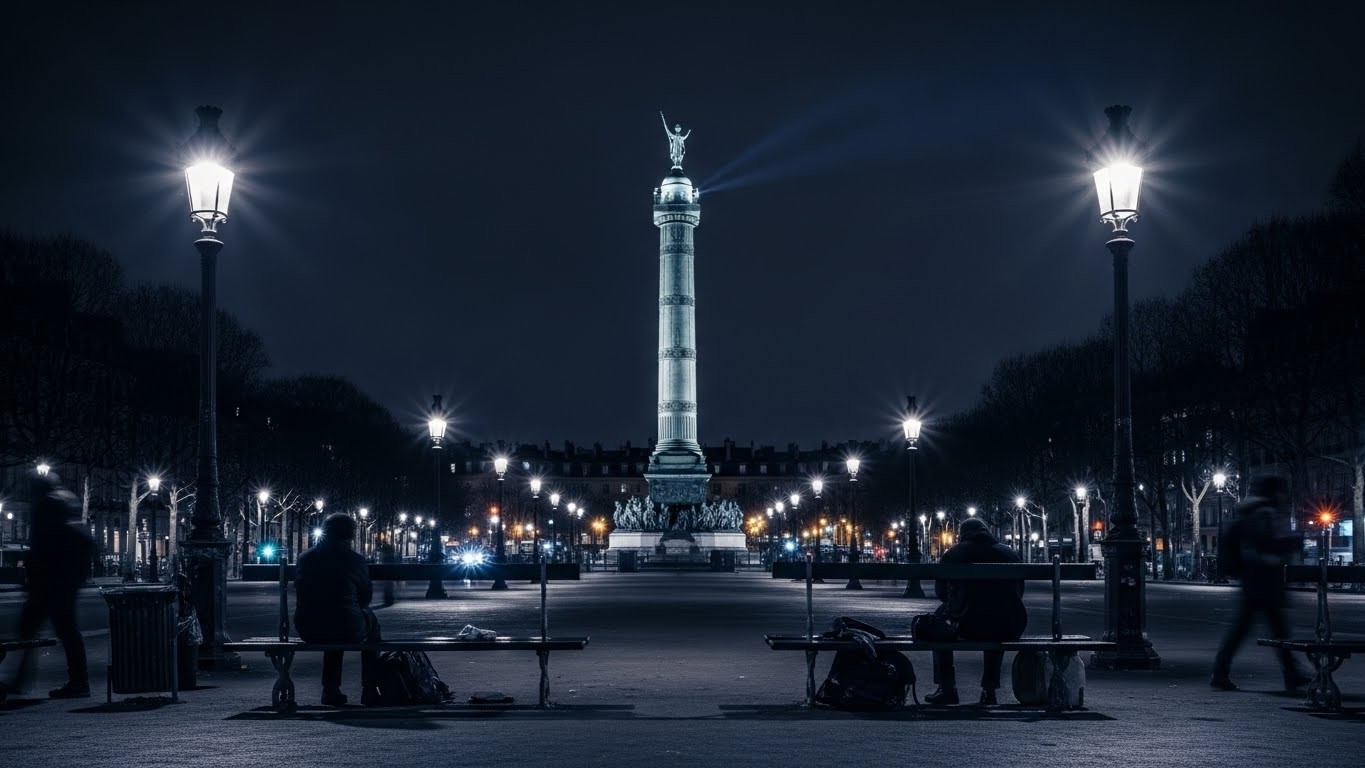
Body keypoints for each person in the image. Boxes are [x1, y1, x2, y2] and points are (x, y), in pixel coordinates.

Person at [1211, 476, 1310, 691]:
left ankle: (1290, 672)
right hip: (1264, 577)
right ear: (1274, 493)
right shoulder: (1264, 513)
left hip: (1254, 577)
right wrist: (1292, 541)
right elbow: (1266, 542)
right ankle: (1291, 673)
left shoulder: (1250, 511)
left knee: (1254, 628)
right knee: (1272, 628)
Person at [3, 472, 95, 699]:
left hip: (50, 579)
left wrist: (31, 576)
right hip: (66, 577)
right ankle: (77, 681)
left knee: (30, 629)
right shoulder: (66, 499)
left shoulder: (47, 504)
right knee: (65, 630)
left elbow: (42, 544)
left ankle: (23, 681)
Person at [924, 517, 1027, 706]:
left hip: (968, 624)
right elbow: (1019, 593)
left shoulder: (953, 554)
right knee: (997, 616)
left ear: (963, 536)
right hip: (1009, 626)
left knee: (937, 623)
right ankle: (989, 691)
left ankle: (947, 688)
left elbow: (941, 593)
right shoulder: (1009, 553)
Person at [294, 513, 381, 706]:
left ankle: (330, 690)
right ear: (350, 535)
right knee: (367, 623)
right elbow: (365, 599)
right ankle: (370, 688)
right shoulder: (355, 560)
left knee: (331, 618)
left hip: (308, 628)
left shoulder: (304, 558)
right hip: (345, 626)